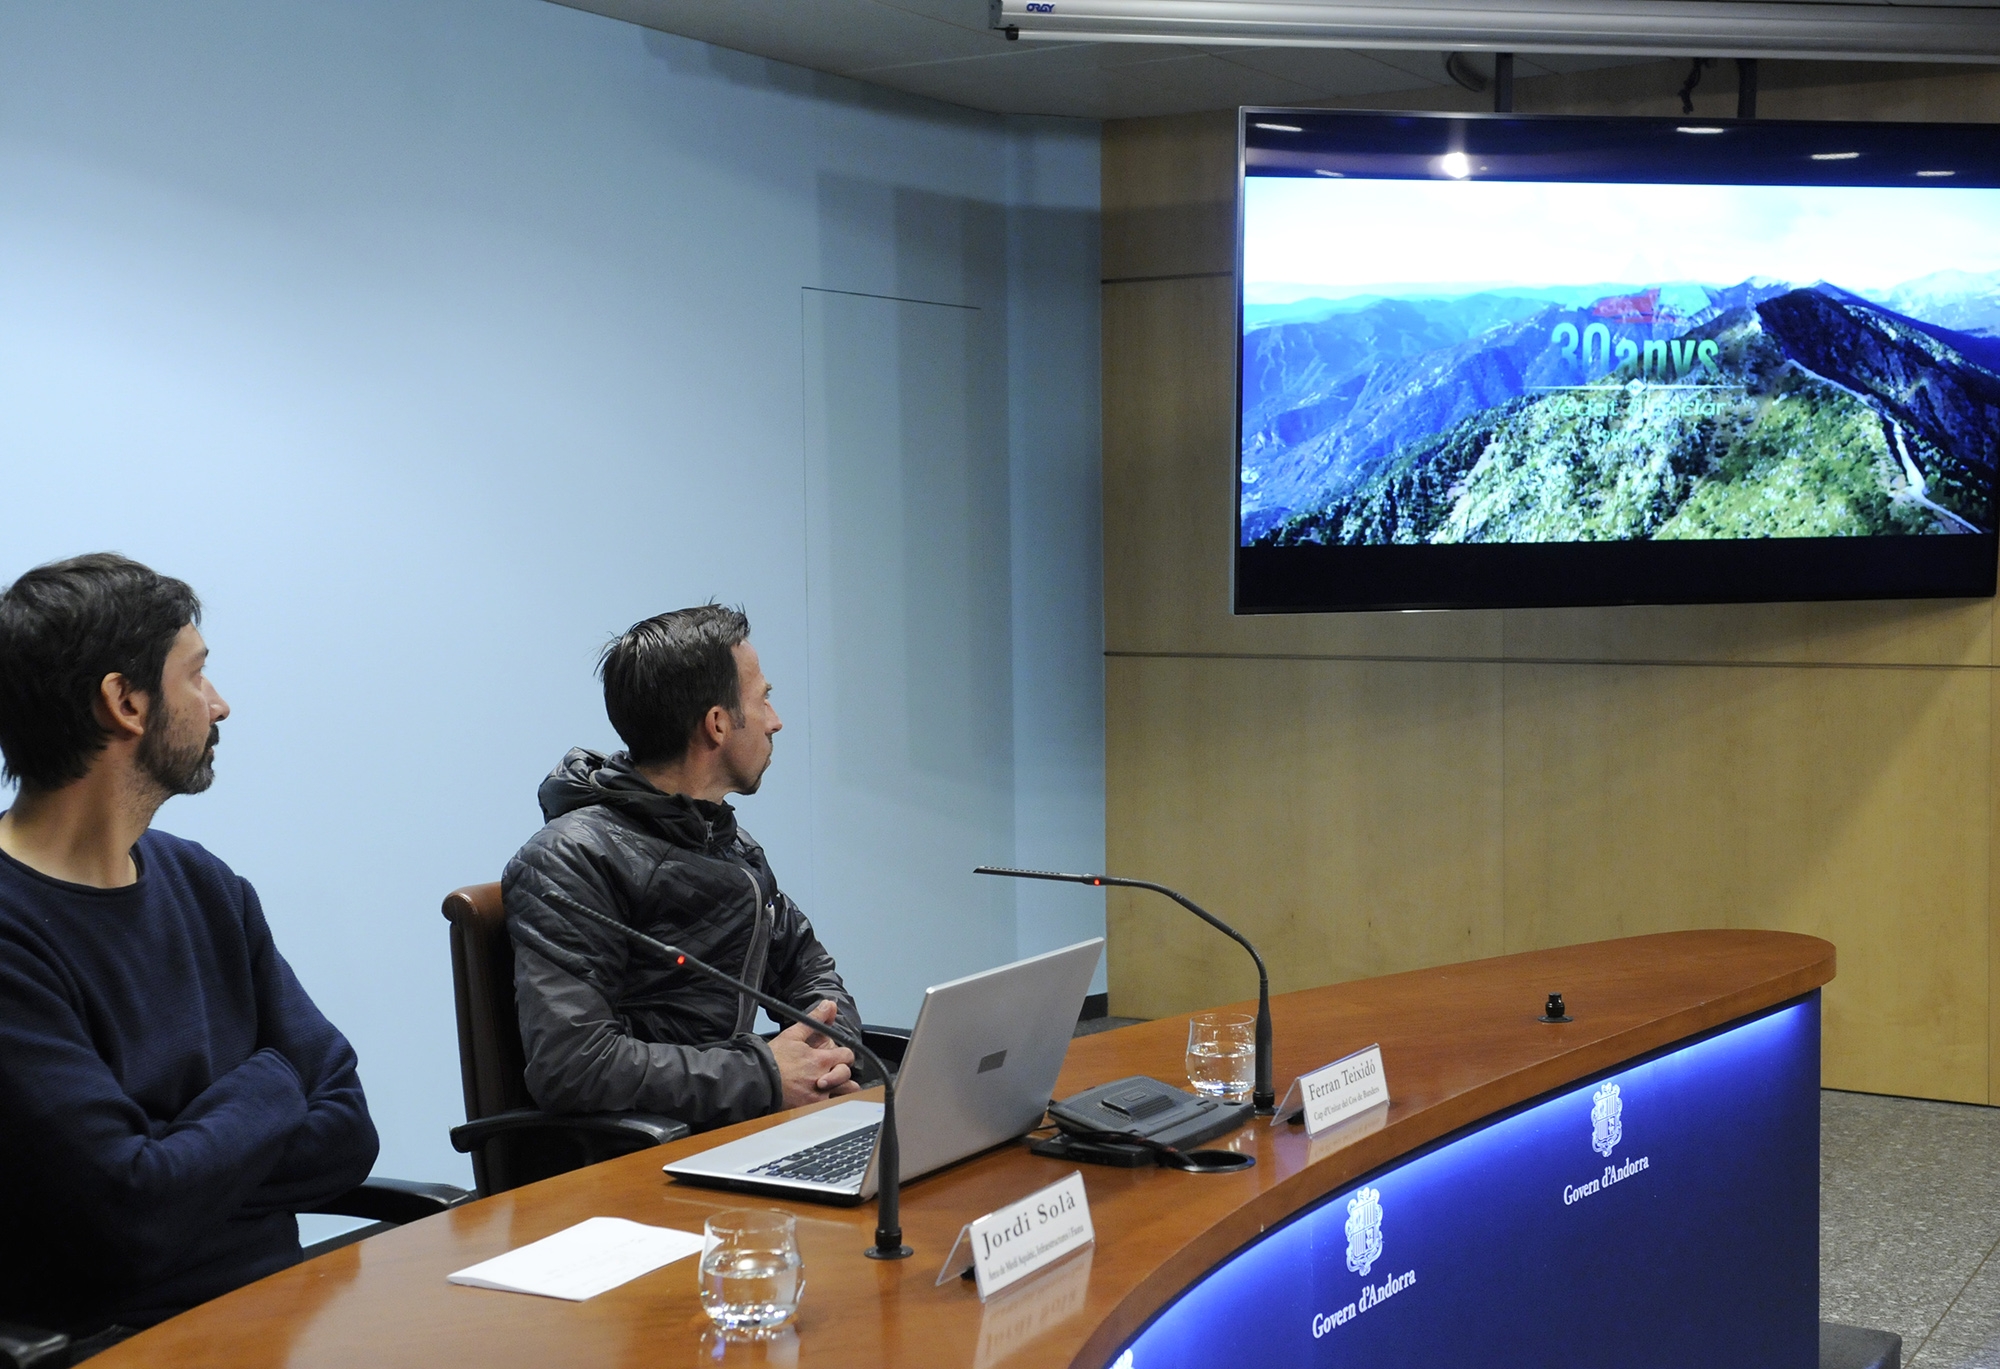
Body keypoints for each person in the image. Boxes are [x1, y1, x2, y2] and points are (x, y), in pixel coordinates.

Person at [0, 554, 378, 1348]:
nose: (221, 704)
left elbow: (348, 1128)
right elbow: (130, 1211)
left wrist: (176, 1161)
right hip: (118, 1341)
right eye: (197, 676)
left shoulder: (206, 885)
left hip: (282, 1317)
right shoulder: (11, 932)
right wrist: (275, 1078)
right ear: (126, 702)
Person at [504, 604, 864, 1133]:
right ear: (717, 723)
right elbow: (574, 1065)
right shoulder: (569, 859)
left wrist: (827, 1051)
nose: (775, 720)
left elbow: (807, 968)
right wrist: (764, 1075)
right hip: (644, 1160)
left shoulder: (725, 840)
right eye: (763, 698)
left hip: (737, 1126)